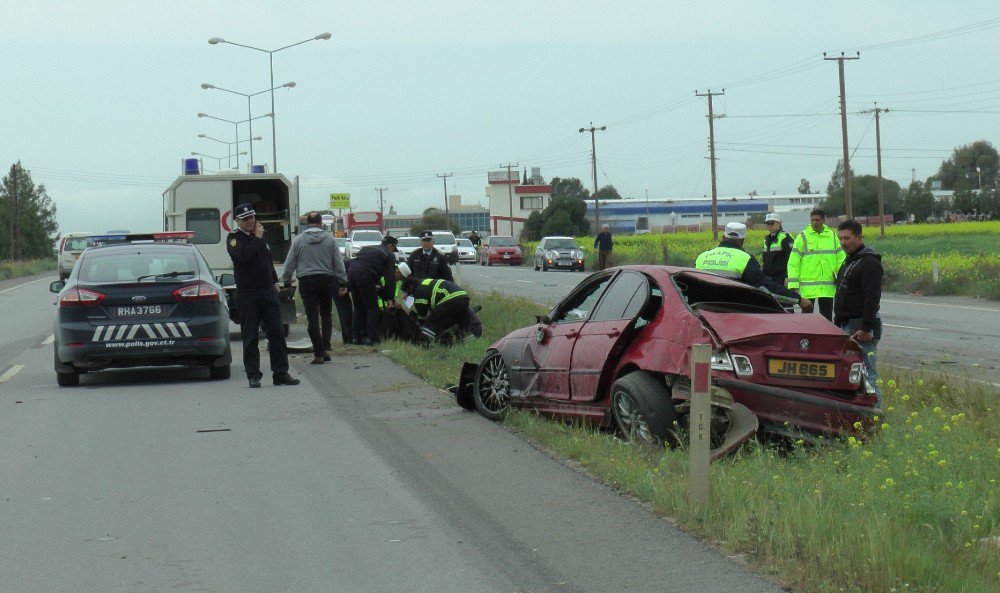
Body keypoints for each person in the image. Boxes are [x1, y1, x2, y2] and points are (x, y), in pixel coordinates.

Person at [227, 203, 300, 388]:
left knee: (277, 333)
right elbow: (245, 256)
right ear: (237, 221)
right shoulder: (234, 239)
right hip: (248, 293)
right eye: (245, 219)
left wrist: (275, 281)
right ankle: (253, 374)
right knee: (250, 335)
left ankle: (281, 373)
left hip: (267, 291)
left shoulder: (260, 237)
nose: (250, 221)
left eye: (252, 217)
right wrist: (258, 238)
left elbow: (266, 260)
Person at [281, 211, 348, 364]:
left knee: (312, 317)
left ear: (307, 224)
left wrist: (286, 281)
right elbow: (338, 262)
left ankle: (318, 353)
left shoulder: (299, 240)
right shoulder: (330, 240)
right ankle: (326, 349)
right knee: (326, 315)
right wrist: (343, 282)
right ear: (321, 223)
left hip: (306, 281)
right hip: (326, 280)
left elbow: (289, 263)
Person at [695, 222, 812, 310]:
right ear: (742, 240)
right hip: (732, 312)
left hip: (704, 312)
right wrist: (798, 299)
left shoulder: (702, 257)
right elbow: (767, 288)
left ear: (723, 237)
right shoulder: (744, 259)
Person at [834, 219, 884, 404]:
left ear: (860, 237)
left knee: (868, 375)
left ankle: (876, 415)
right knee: (850, 375)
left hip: (861, 327)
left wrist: (866, 327)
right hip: (849, 324)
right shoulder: (850, 261)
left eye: (847, 238)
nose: (843, 243)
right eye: (840, 239)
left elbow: (872, 298)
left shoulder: (869, 263)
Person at [787, 209, 845, 321]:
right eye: (812, 220)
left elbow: (840, 258)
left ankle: (826, 337)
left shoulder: (832, 236)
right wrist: (793, 284)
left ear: (824, 220)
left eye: (817, 220)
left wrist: (841, 275)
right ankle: (806, 337)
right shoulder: (802, 237)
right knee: (807, 318)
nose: (815, 222)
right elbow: (793, 262)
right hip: (808, 286)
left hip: (827, 285)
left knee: (826, 317)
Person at [347, 235, 398, 346]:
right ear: (390, 245)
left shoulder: (367, 248)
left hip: (351, 273)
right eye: (394, 248)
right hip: (365, 276)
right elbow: (390, 278)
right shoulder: (388, 254)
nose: (394, 250)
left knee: (358, 307)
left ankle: (356, 337)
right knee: (372, 308)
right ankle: (372, 338)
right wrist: (390, 297)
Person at [400, 275, 471, 345]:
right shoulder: (425, 282)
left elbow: (422, 314)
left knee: (432, 321)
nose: (410, 294)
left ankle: (423, 343)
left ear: (410, 287)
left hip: (451, 298)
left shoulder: (419, 290)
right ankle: (468, 344)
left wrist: (421, 327)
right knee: (461, 325)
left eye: (407, 292)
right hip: (464, 297)